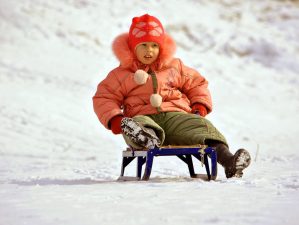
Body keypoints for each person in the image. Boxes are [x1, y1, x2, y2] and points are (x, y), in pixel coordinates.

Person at [93, 14, 251, 178]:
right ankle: (144, 138)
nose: (149, 50)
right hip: (143, 117)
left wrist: (199, 105)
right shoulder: (122, 74)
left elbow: (196, 83)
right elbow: (104, 97)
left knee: (200, 126)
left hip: (175, 117)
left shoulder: (174, 67)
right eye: (144, 45)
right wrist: (115, 119)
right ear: (133, 48)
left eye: (154, 45)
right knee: (136, 124)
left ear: (161, 47)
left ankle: (229, 161)